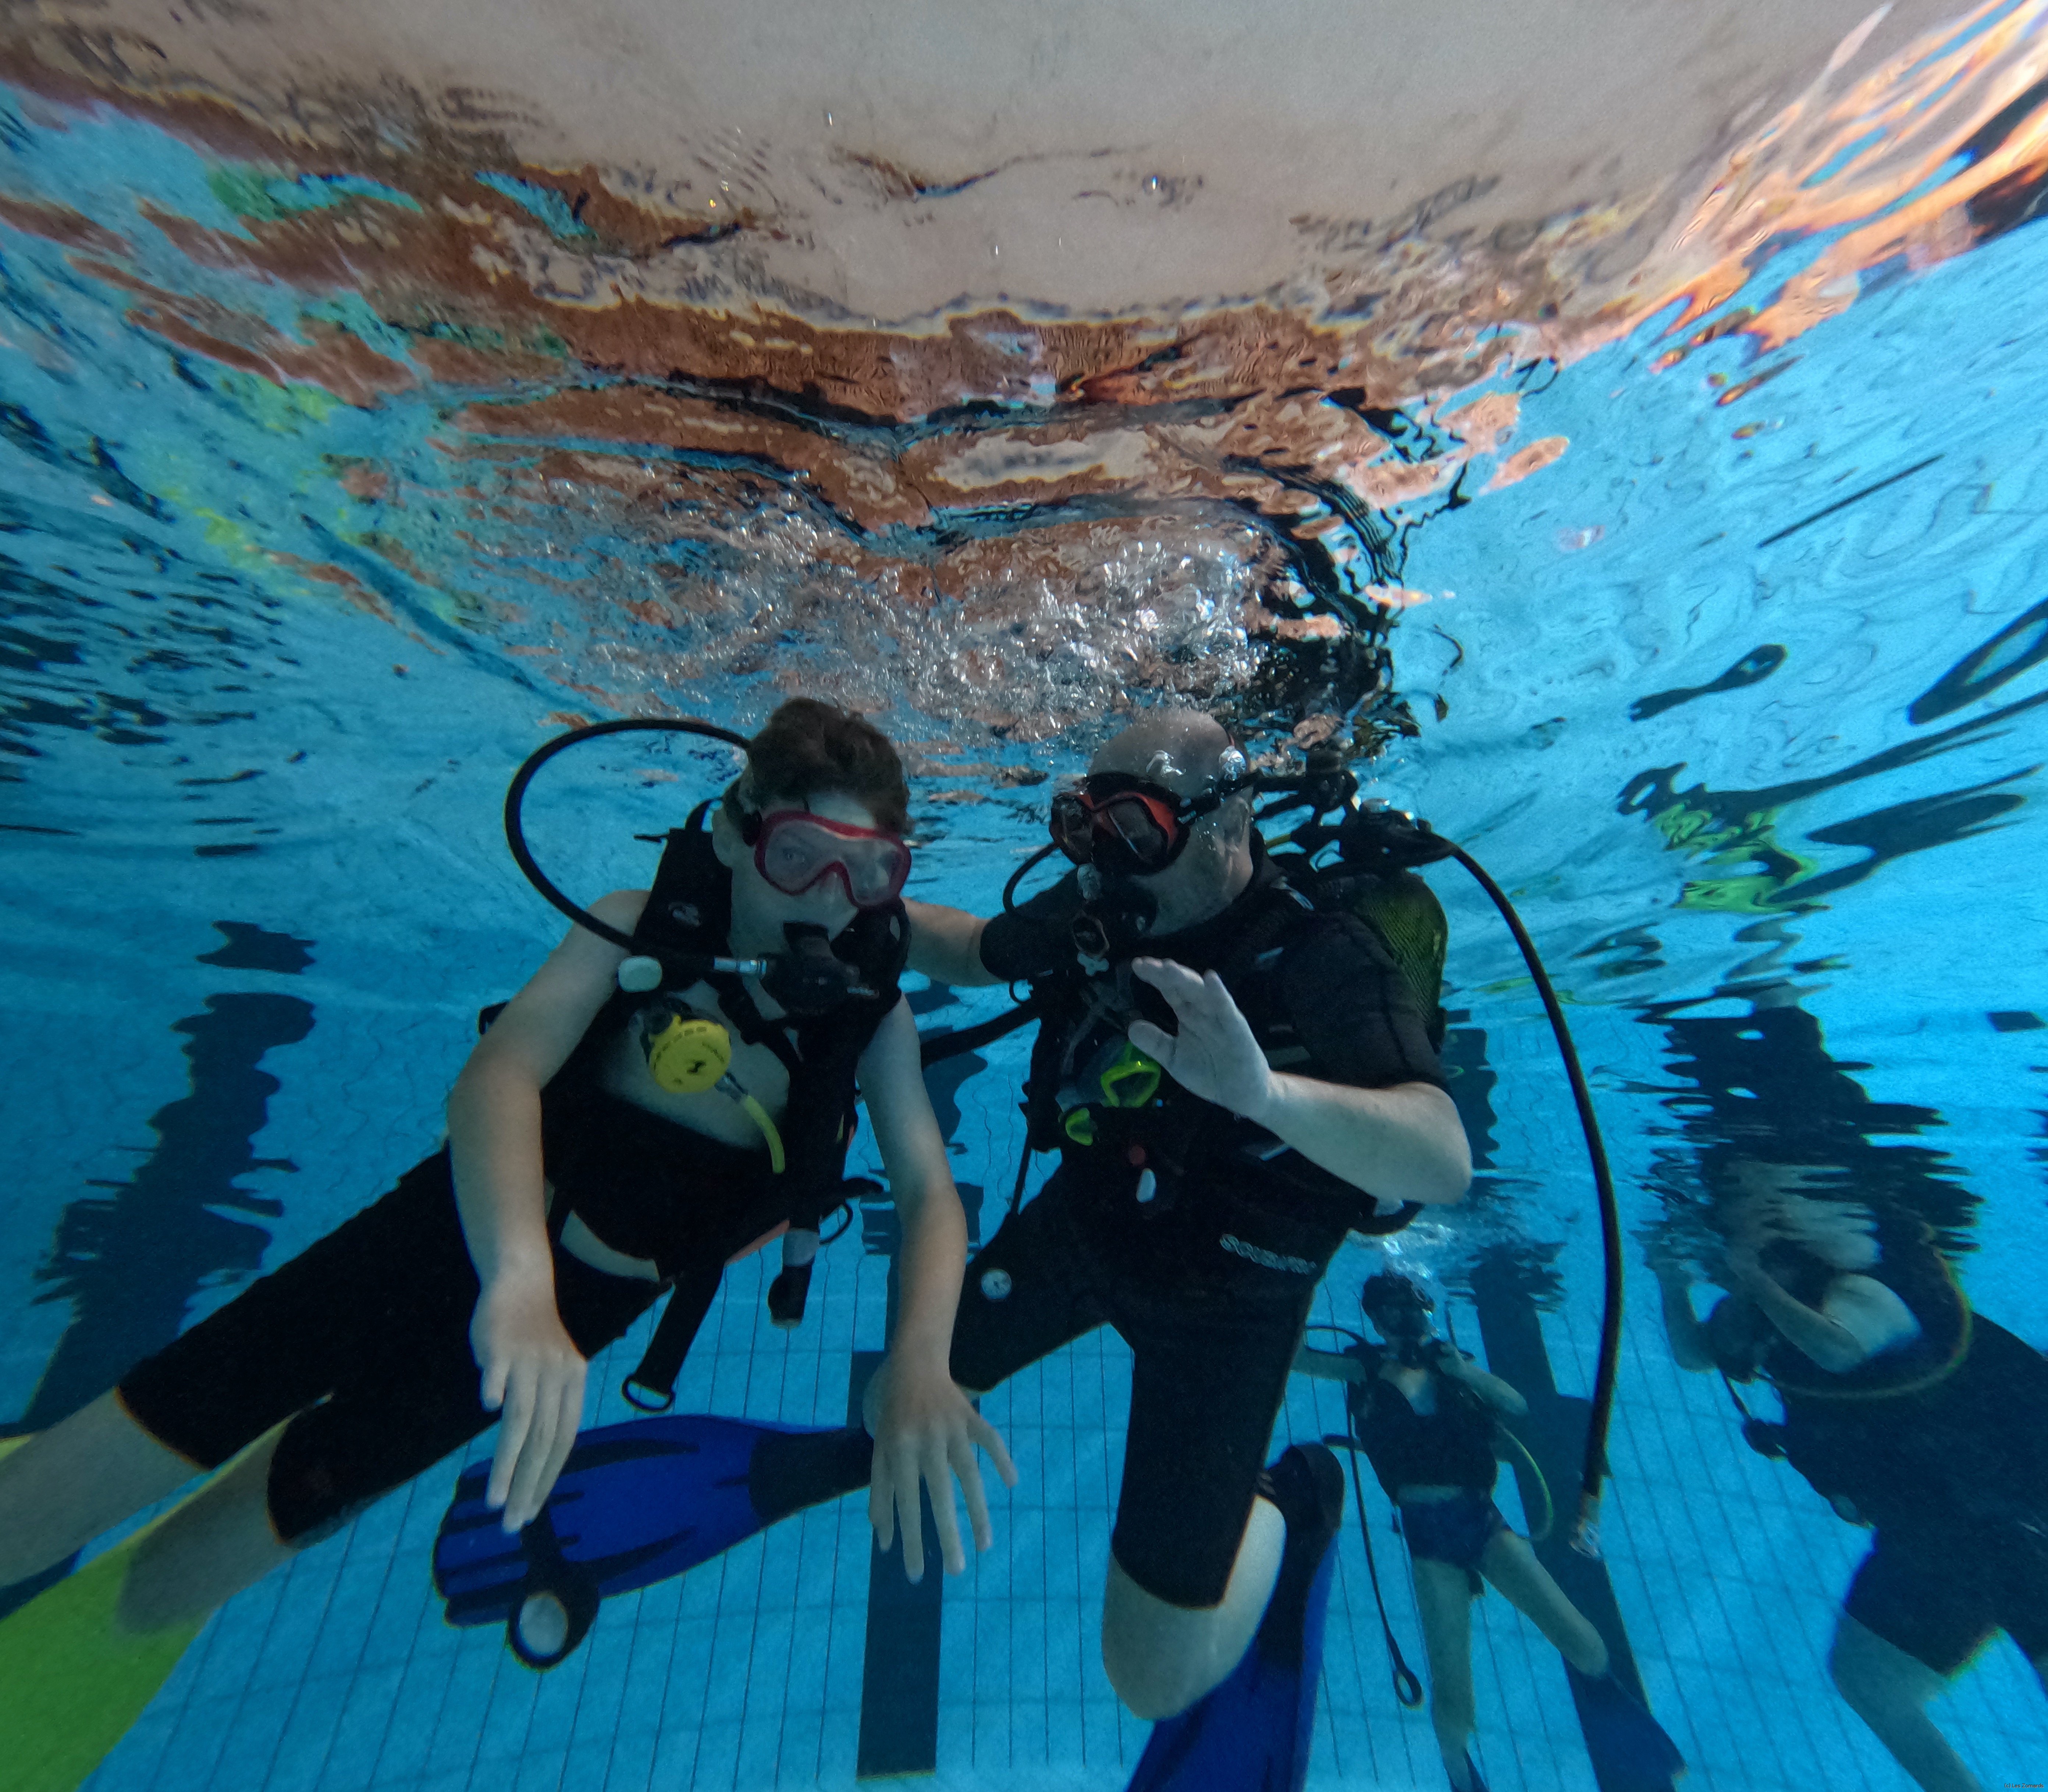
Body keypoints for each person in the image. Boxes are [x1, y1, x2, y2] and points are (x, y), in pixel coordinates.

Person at [0, 698, 1012, 1792]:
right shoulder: (639, 927)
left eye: (867, 873)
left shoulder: (867, 1017)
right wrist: (518, 1278)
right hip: (439, 1245)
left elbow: (927, 1194)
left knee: (248, 1535)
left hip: (561, 1333)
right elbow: (500, 1075)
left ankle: (73, 1660)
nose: (827, 899)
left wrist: (921, 1358)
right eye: (800, 857)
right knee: (139, 1444)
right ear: (733, 834)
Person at [1652, 1164, 2048, 1792]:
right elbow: (1698, 1353)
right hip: (1925, 1541)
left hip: (2006, 1524)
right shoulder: (1764, 1308)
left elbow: (1838, 1349)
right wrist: (1672, 1281)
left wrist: (1757, 1282)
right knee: (1867, 1678)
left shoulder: (1864, 1290)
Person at [1299, 1272, 1682, 1792]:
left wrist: (1461, 1371)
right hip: (1430, 1538)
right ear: (1376, 1320)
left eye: (1415, 1312)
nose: (1406, 1323)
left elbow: (1516, 1403)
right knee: (1453, 1687)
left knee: (1578, 1637)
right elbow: (1300, 1360)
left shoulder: (1456, 1367)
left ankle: (1619, 1718)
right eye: (1392, 1314)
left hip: (1483, 1521)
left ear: (1428, 1314)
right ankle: (1462, 1776)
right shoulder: (1362, 1368)